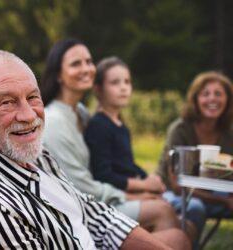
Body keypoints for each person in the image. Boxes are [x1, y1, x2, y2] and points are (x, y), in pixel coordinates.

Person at [0, 49, 189, 249]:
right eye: (6, 102)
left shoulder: (32, 153)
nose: (28, 115)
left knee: (177, 238)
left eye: (33, 97)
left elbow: (90, 212)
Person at [40, 39, 189, 244]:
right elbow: (79, 187)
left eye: (89, 61)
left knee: (180, 225)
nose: (86, 68)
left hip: (98, 199)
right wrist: (130, 196)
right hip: (81, 211)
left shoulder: (81, 113)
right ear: (58, 74)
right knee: (162, 211)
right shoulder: (55, 121)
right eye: (76, 64)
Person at [84, 56, 205, 245]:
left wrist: (149, 178)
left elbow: (126, 164)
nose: (124, 87)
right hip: (115, 198)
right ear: (98, 89)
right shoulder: (99, 125)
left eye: (127, 82)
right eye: (115, 82)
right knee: (168, 211)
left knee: (189, 223)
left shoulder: (120, 125)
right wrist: (145, 187)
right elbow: (104, 174)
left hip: (130, 189)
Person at [158, 71, 233, 226]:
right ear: (196, 99)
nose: (212, 98)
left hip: (216, 192)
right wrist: (224, 201)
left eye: (218, 94)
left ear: (227, 100)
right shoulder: (180, 129)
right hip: (172, 192)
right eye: (205, 94)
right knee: (195, 207)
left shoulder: (228, 133)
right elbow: (177, 186)